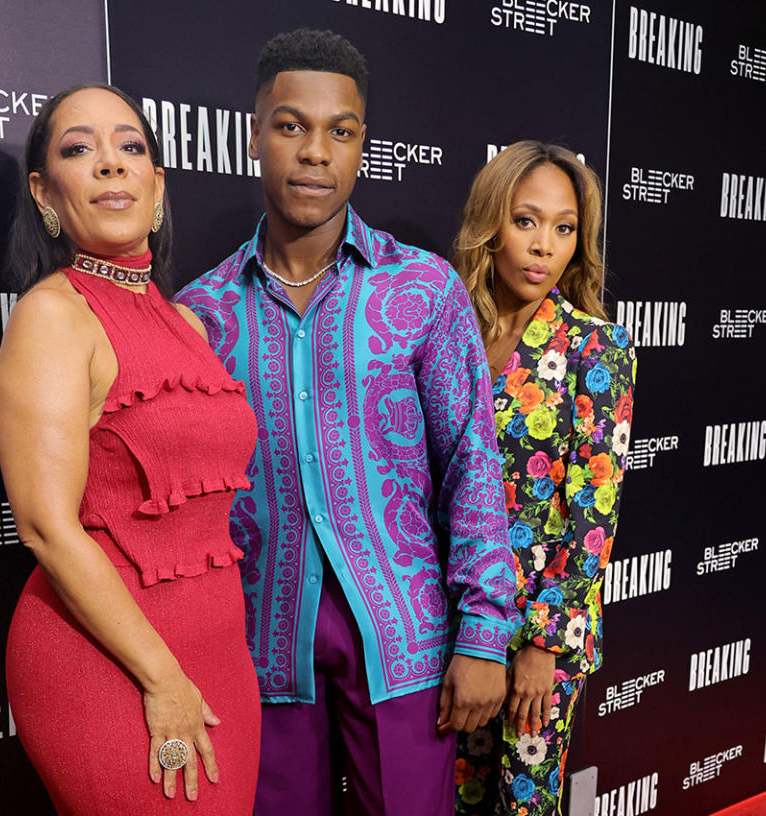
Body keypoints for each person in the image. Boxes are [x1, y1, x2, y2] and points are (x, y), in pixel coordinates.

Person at [176, 29, 520, 816]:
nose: (315, 153)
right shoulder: (200, 314)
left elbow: (471, 461)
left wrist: (482, 635)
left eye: (342, 131)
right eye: (291, 125)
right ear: (254, 133)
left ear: (363, 143)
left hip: (403, 640)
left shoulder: (422, 290)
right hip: (258, 649)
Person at [0, 83, 260, 815]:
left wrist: (198, 671)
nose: (111, 164)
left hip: (219, 660)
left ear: (158, 183)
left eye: (130, 147)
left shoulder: (189, 327)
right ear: (46, 194)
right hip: (113, 665)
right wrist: (162, 678)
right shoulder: (53, 317)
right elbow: (46, 526)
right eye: (80, 150)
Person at [451, 142, 636, 816]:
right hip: (457, 617)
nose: (543, 246)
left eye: (564, 228)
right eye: (526, 221)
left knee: (523, 804)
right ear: (491, 224)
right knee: (454, 799)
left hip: (540, 630)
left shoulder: (597, 346)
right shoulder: (451, 334)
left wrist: (544, 645)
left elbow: (595, 515)